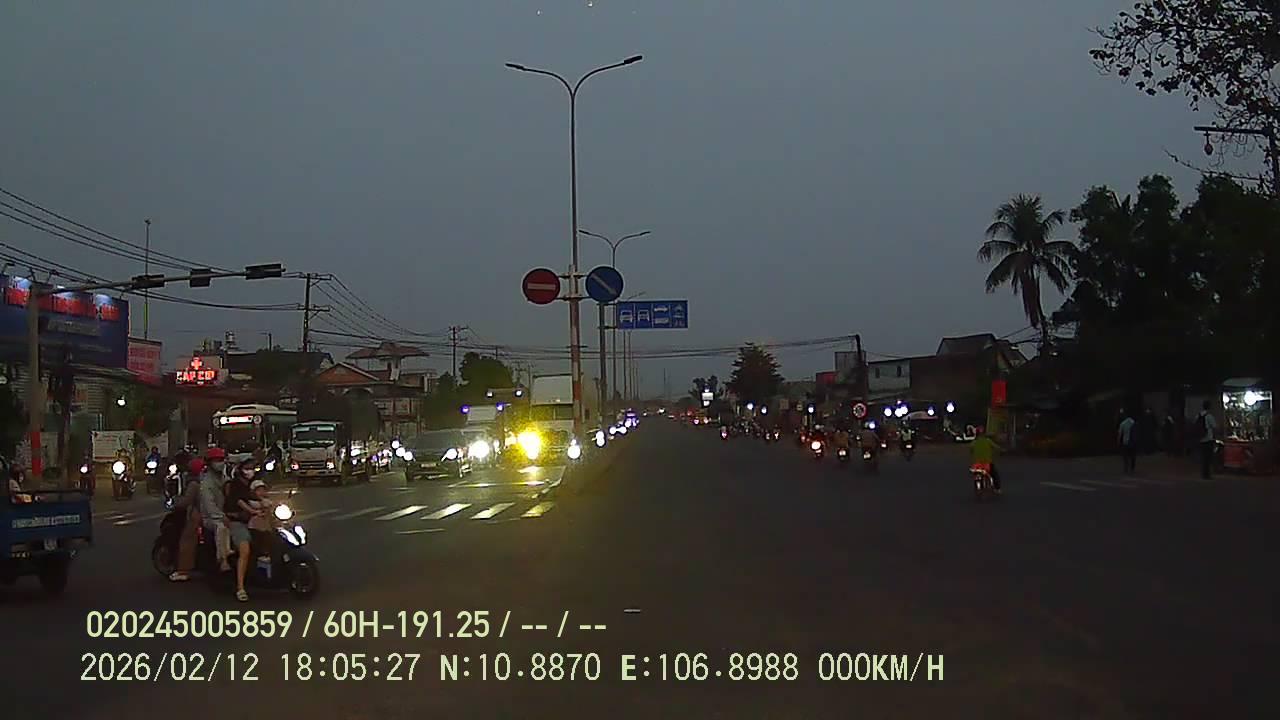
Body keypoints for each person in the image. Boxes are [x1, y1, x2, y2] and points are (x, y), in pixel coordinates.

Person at [224, 460, 259, 602]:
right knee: (245, 550)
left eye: (252, 468)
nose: (250, 471)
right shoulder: (235, 485)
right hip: (236, 521)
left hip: (252, 521)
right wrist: (252, 510)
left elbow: (257, 496)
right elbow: (239, 501)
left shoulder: (251, 484)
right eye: (247, 468)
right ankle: (240, 588)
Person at [168, 458, 205, 582]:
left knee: (187, 541)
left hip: (196, 516)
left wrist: (176, 503)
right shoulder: (208, 480)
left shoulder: (193, 484)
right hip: (207, 514)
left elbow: (186, 501)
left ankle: (183, 570)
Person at [198, 447, 232, 574]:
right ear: (210, 463)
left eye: (221, 460)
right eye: (216, 460)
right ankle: (223, 560)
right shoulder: (206, 483)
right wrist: (222, 517)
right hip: (211, 518)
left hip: (225, 514)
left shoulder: (224, 478)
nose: (220, 463)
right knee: (221, 527)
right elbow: (209, 506)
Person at [969, 426, 1002, 493]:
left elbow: (971, 450)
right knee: (994, 475)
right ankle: (997, 488)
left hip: (977, 464)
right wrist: (1002, 450)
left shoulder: (974, 442)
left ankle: (978, 487)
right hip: (987, 463)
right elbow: (997, 448)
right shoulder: (988, 441)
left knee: (976, 474)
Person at [1195, 400, 1217, 479]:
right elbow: (1214, 426)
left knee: (1203, 457)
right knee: (1208, 457)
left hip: (1200, 438)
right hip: (1208, 438)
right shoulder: (1209, 416)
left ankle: (1203, 473)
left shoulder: (1198, 416)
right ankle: (1207, 474)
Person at [1118, 410, 1138, 474]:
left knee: (1125, 456)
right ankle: (1132, 468)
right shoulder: (1133, 422)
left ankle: (1126, 467)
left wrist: (1118, 441)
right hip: (1133, 441)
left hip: (1125, 441)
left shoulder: (1122, 424)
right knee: (1133, 455)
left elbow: (1120, 434)